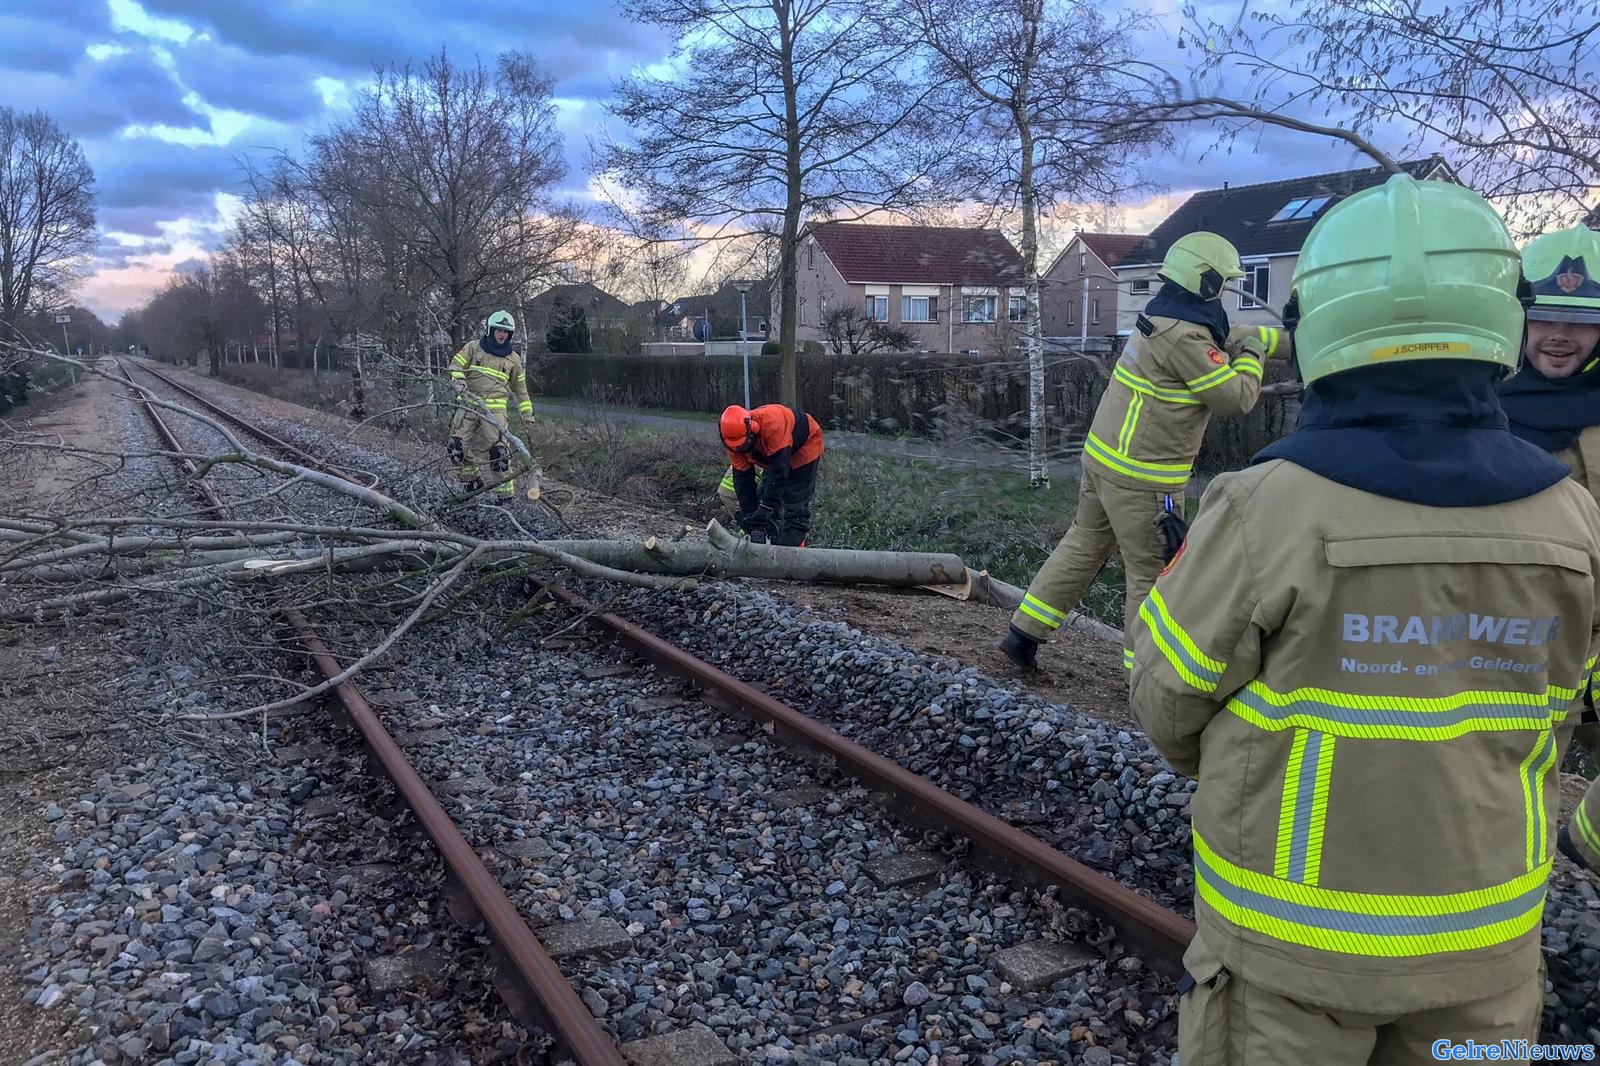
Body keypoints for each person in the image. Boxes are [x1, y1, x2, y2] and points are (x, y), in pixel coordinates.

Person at [1131, 174, 1600, 1064]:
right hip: (1488, 944)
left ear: (1320, 326)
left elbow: (1167, 700)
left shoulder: (1264, 507)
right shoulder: (1575, 520)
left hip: (1292, 946)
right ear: (1500, 321)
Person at [1001, 231, 1289, 671]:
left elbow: (1228, 336)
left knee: (1083, 544)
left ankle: (1023, 634)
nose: (1226, 291)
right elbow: (1236, 399)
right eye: (1224, 282)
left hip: (1104, 463)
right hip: (1144, 479)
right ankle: (1142, 678)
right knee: (1152, 574)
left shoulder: (1163, 318)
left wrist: (1293, 341)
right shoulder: (1187, 339)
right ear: (1207, 280)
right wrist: (1252, 354)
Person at [1497, 223, 1600, 875]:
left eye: (1582, 321)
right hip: (1509, 640)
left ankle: (1580, 854)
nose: (1560, 335)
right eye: (1545, 318)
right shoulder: (1481, 404)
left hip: (1593, 639)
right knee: (1508, 786)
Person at [448, 310, 538, 502]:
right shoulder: (473, 347)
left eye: (506, 331)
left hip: (495, 412)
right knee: (456, 447)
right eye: (499, 330)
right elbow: (455, 365)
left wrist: (527, 414)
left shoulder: (513, 359)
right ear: (490, 330)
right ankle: (472, 483)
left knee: (500, 454)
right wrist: (459, 381)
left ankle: (505, 498)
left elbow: (521, 390)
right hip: (469, 406)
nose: (502, 334)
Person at [718, 403, 823, 546]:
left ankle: (792, 548)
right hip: (774, 455)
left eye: (743, 445)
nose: (740, 449)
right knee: (763, 498)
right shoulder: (733, 442)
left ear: (752, 429)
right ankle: (770, 541)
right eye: (737, 447)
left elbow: (779, 471)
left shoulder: (772, 424)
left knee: (794, 504)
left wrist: (766, 508)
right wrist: (750, 515)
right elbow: (743, 480)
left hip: (805, 446)